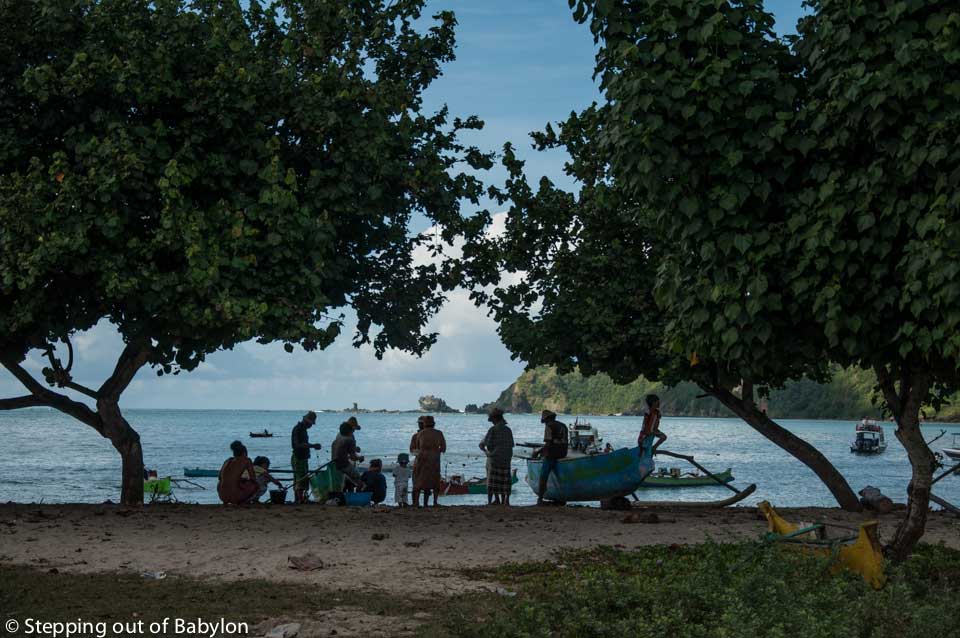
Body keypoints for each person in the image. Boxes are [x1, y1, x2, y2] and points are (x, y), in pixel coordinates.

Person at [479, 408, 515, 506]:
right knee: (505, 480)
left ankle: (494, 500)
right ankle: (505, 500)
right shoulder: (508, 430)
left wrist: (485, 450)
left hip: (494, 458)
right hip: (506, 459)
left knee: (493, 481)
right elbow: (511, 444)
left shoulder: (493, 430)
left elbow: (486, 443)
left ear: (494, 419)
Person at [535, 410, 568, 505]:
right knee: (559, 477)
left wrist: (537, 452)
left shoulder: (549, 426)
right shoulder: (563, 425)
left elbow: (548, 444)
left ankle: (540, 499)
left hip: (552, 454)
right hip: (563, 453)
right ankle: (562, 498)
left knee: (543, 477)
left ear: (546, 419)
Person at [412, 415, 446, 507]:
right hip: (434, 460)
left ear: (424, 424)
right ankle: (434, 502)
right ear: (434, 424)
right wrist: (435, 451)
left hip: (422, 460)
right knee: (435, 482)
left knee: (420, 481)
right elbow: (443, 448)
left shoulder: (420, 434)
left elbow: (417, 448)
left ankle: (416, 503)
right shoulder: (439, 433)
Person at [291, 411, 322, 504]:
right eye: (310, 423)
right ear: (306, 421)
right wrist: (312, 446)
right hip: (298, 457)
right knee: (300, 478)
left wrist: (311, 446)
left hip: (304, 457)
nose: (311, 426)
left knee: (303, 478)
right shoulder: (297, 429)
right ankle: (299, 499)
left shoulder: (303, 430)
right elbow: (297, 445)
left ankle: (301, 499)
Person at [218, 441, 258, 505]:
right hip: (235, 497)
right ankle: (244, 501)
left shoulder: (228, 460)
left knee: (222, 482)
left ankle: (226, 501)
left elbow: (219, 477)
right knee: (254, 484)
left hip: (222, 496)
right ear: (244, 452)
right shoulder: (247, 460)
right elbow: (253, 478)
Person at [332, 420, 364, 490]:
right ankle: (359, 496)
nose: (354, 431)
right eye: (353, 430)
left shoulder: (336, 440)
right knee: (359, 478)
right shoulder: (349, 440)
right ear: (350, 431)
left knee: (350, 480)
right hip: (344, 465)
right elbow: (353, 457)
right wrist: (360, 458)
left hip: (334, 466)